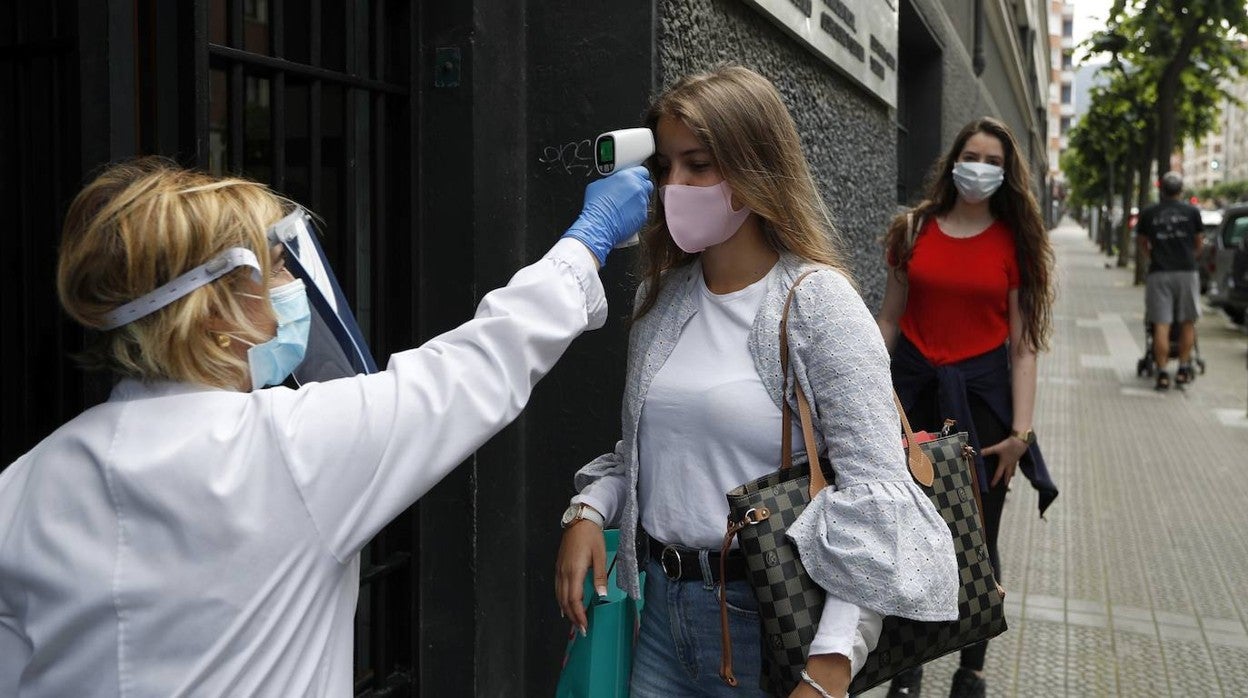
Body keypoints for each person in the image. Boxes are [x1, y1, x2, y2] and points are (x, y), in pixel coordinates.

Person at [0, 157, 651, 696]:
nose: (295, 285)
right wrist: (586, 241)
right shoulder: (291, 448)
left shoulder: (25, 485)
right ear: (213, 313)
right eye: (277, 266)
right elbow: (480, 364)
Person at [553, 66, 959, 698]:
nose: (674, 186)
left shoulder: (818, 303)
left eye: (699, 164)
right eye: (664, 167)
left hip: (767, 625)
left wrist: (829, 667)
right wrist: (588, 510)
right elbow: (645, 454)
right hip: (657, 618)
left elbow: (874, 491)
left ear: (754, 170)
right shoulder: (657, 301)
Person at [876, 117, 1059, 698]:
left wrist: (1021, 434)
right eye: (972, 154)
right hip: (912, 401)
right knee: (909, 534)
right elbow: (889, 320)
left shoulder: (1016, 242)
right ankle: (907, 670)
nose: (980, 167)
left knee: (976, 542)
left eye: (994, 161)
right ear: (953, 160)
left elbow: (1024, 346)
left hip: (983, 411)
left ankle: (970, 668)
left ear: (1006, 175)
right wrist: (859, 388)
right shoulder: (912, 229)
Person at [1136, 170, 1204, 390]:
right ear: (1181, 190)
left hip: (1159, 273)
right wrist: (1189, 258)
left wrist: (1154, 257)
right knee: (1187, 322)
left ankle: (1163, 372)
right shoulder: (1192, 212)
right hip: (1187, 272)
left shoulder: (1149, 214)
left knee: (1161, 324)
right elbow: (1198, 243)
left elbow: (1143, 243)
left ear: (1160, 189)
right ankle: (1183, 368)